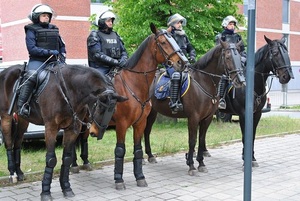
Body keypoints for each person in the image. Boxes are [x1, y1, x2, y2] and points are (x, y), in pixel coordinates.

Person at [18, 4, 66, 117]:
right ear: (36, 17)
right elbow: (32, 49)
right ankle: (22, 105)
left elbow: (61, 45)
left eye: (48, 16)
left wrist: (62, 56)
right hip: (37, 60)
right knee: (31, 75)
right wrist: (49, 52)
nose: (46, 18)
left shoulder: (54, 29)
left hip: (55, 61)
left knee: (68, 75)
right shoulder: (31, 30)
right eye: (43, 15)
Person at [166, 13, 196, 113]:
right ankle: (173, 103)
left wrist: (192, 55)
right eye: (178, 23)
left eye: (181, 23)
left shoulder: (184, 36)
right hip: (171, 65)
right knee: (176, 76)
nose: (180, 25)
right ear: (172, 24)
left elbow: (191, 48)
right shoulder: (167, 37)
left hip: (184, 64)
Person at [215, 15, 247, 109]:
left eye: (233, 24)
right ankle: (222, 99)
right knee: (224, 77)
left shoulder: (238, 37)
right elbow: (218, 51)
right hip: (226, 63)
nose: (232, 26)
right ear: (225, 25)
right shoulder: (221, 37)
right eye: (230, 24)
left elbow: (243, 50)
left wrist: (243, 58)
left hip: (238, 62)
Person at [87, 10, 128, 75]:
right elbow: (97, 55)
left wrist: (123, 60)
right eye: (108, 21)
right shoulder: (95, 35)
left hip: (117, 66)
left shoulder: (115, 35)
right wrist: (115, 62)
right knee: (100, 83)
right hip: (100, 69)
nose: (111, 23)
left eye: (111, 21)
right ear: (102, 22)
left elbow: (123, 51)